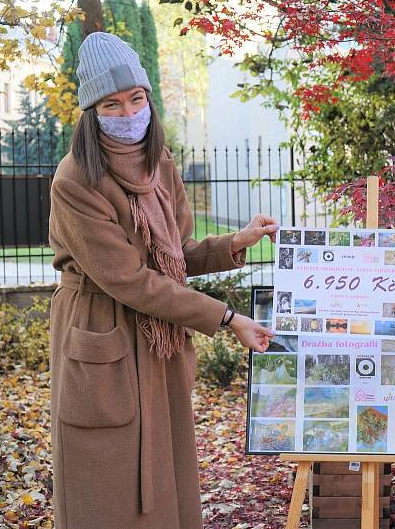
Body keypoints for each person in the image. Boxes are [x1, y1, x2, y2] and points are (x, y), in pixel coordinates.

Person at [48, 32, 276, 528]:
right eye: (112, 103)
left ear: (149, 98)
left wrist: (235, 242)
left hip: (158, 340)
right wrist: (227, 317)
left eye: (136, 98)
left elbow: (177, 255)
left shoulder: (160, 163)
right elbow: (129, 279)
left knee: (165, 470)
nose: (128, 112)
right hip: (103, 330)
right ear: (92, 111)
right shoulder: (75, 180)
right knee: (107, 477)